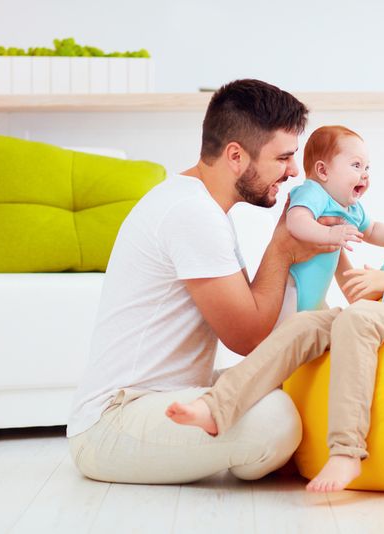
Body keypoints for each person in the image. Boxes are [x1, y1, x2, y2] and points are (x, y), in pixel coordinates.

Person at [166, 139, 384, 492]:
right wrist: (339, 255)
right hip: (380, 314)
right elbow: (363, 299)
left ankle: (346, 452)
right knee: (304, 324)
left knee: (357, 318)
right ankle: (218, 407)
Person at [67, 79, 343, 484]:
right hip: (113, 422)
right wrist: (282, 248)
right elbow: (247, 337)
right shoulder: (191, 213)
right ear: (236, 155)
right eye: (283, 157)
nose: (294, 171)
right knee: (277, 419)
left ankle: (225, 447)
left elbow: (257, 320)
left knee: (282, 384)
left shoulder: (202, 206)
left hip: (168, 398)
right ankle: (243, 453)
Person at [281, 125, 384, 318]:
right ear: (323, 171)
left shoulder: (351, 208)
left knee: (320, 324)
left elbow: (372, 230)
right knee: (288, 329)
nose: (365, 174)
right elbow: (296, 221)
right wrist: (329, 234)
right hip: (289, 292)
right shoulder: (313, 192)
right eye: (356, 165)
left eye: (367, 167)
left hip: (315, 299)